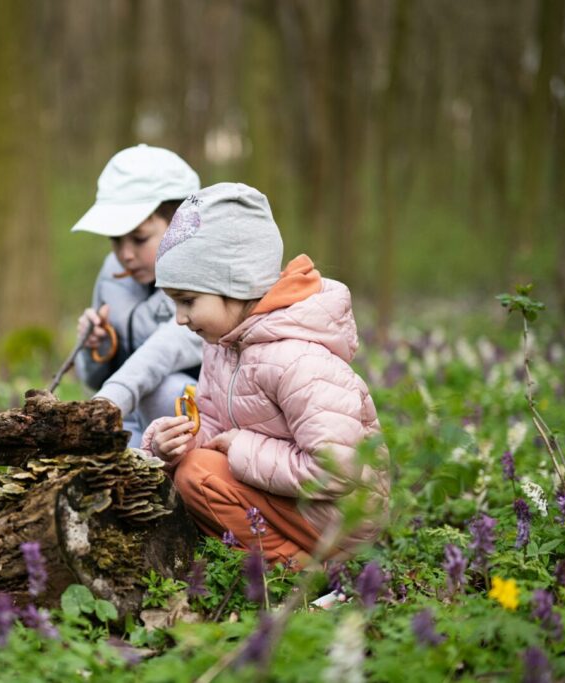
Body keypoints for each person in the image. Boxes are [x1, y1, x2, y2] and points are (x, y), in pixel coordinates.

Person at [141, 182, 390, 567]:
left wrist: (241, 449)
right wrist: (174, 442)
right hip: (289, 500)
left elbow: (337, 470)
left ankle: (300, 568)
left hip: (341, 516)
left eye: (188, 301)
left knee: (197, 476)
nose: (180, 318)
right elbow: (212, 424)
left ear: (236, 285)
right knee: (189, 467)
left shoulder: (299, 361)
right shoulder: (223, 345)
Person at [71, 144, 204, 446]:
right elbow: (93, 379)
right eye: (115, 240)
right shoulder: (112, 274)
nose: (126, 254)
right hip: (129, 412)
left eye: (139, 238)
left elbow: (166, 348)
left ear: (181, 225)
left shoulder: (204, 274)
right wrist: (97, 347)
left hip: (196, 416)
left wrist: (107, 401)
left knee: (165, 391)